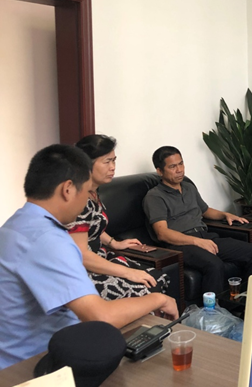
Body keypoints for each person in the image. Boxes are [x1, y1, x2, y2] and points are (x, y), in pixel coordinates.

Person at [0, 145, 178, 369]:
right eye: (85, 193)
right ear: (67, 189)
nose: (86, 202)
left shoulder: (15, 225)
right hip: (35, 364)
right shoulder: (48, 240)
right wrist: (160, 299)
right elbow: (101, 316)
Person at [143, 146, 252, 295]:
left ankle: (249, 300)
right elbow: (162, 233)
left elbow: (205, 210)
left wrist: (226, 215)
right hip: (180, 244)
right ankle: (213, 309)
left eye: (181, 163)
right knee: (214, 264)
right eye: (172, 166)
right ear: (160, 171)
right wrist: (197, 242)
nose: (179, 170)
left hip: (205, 236)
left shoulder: (188, 187)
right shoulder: (154, 196)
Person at [67, 134, 169, 300]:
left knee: (156, 277)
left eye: (114, 161)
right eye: (107, 162)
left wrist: (114, 243)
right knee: (143, 288)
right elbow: (82, 255)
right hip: (80, 271)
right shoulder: (76, 199)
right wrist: (128, 273)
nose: (113, 167)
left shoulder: (93, 191)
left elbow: (93, 227)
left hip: (98, 257)